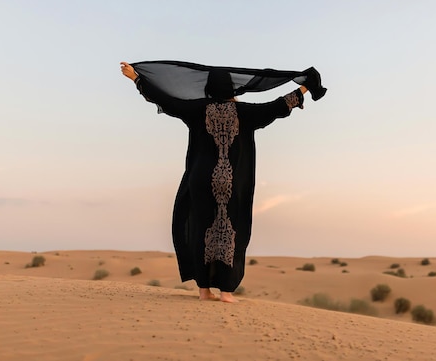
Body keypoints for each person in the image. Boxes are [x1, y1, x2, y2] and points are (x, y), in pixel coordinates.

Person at [121, 61, 318, 303]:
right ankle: (226, 291)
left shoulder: (196, 109)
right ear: (232, 90)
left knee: (201, 228)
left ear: (209, 88)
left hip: (200, 179)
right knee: (232, 229)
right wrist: (306, 88)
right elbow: (278, 106)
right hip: (233, 181)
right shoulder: (246, 112)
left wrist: (136, 79)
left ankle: (204, 290)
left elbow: (166, 99)